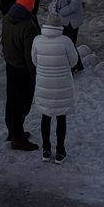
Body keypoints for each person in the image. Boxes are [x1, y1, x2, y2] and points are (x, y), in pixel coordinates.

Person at [31, 11, 78, 164]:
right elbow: (74, 63)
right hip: (61, 86)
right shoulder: (66, 41)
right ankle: (60, 152)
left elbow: (35, 61)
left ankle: (46, 150)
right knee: (61, 118)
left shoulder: (37, 40)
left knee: (45, 117)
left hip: (44, 85)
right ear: (59, 26)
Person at [1, 0, 39, 151]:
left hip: (10, 65)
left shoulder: (7, 17)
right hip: (22, 70)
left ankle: (13, 131)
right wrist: (35, 76)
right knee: (22, 104)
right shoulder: (28, 26)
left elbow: (4, 41)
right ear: (30, 5)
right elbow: (31, 56)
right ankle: (18, 138)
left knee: (12, 100)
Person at [47, 0, 84, 70]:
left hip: (72, 22)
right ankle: (75, 66)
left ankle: (75, 66)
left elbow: (75, 5)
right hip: (64, 21)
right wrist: (52, 7)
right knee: (68, 45)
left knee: (70, 45)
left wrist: (59, 12)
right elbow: (57, 0)